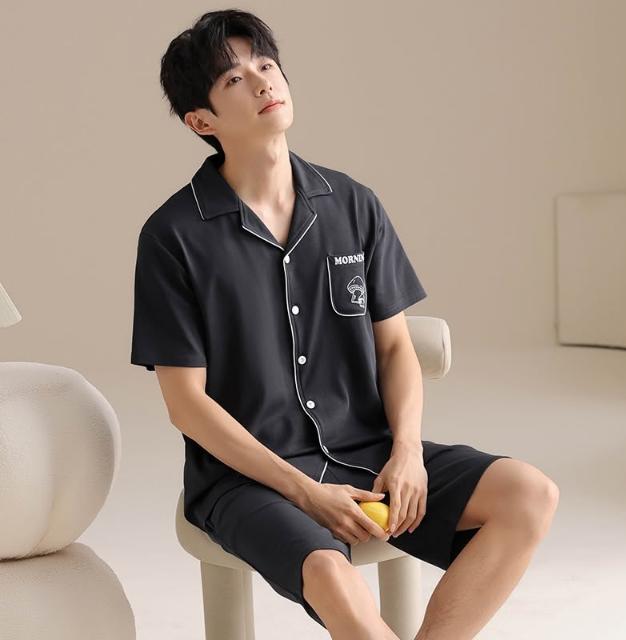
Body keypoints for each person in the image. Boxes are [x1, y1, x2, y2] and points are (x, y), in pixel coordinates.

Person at [130, 9, 560, 639]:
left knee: (530, 494)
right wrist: (304, 492)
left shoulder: (352, 202)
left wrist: (408, 452)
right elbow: (186, 404)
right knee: (333, 575)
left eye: (266, 65)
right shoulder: (173, 236)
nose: (262, 81)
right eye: (233, 80)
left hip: (369, 452)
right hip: (247, 478)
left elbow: (395, 348)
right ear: (202, 122)